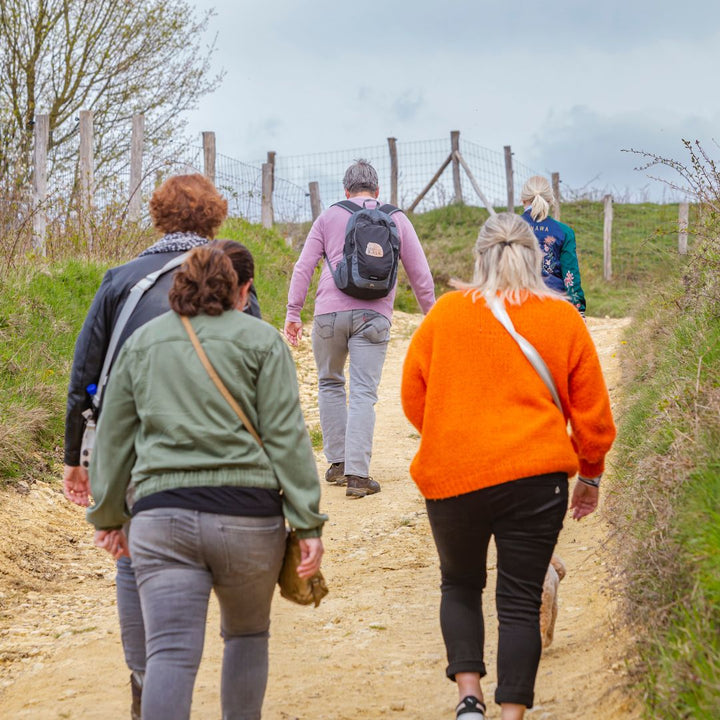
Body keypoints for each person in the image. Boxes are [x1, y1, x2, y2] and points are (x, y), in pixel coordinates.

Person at [87, 242, 326, 720]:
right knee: (246, 636)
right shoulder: (263, 342)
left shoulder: (143, 343)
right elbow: (287, 438)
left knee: (170, 653)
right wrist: (307, 522)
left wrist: (109, 515)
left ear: (178, 287)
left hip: (161, 518)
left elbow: (114, 441)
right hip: (248, 520)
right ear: (242, 289)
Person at [400, 212, 615, 720]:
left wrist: (453, 430)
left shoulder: (446, 314)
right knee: (520, 598)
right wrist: (590, 474)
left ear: (479, 257)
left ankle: (468, 699)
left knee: (459, 583)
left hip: (453, 474)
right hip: (536, 477)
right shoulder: (562, 317)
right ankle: (514, 713)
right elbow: (593, 414)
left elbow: (413, 397)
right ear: (539, 258)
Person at [63, 173, 260, 719]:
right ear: (215, 219)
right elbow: (261, 366)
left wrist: (74, 458)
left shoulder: (120, 280)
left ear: (157, 215)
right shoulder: (237, 281)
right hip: (225, 462)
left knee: (132, 558)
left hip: (135, 453)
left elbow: (85, 376)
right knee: (243, 619)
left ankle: (145, 682)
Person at [284, 159, 435, 497]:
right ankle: (357, 475)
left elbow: (303, 266)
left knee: (329, 383)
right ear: (378, 191)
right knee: (364, 392)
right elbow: (420, 275)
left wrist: (293, 312)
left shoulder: (329, 216)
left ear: (346, 190)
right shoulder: (396, 217)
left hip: (327, 317)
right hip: (374, 317)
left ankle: (337, 464)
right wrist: (433, 316)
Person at [519, 175, 586, 315]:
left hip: (517, 302)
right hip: (554, 303)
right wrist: (579, 310)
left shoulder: (509, 227)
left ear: (523, 199)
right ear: (550, 200)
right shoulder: (564, 232)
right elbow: (570, 275)